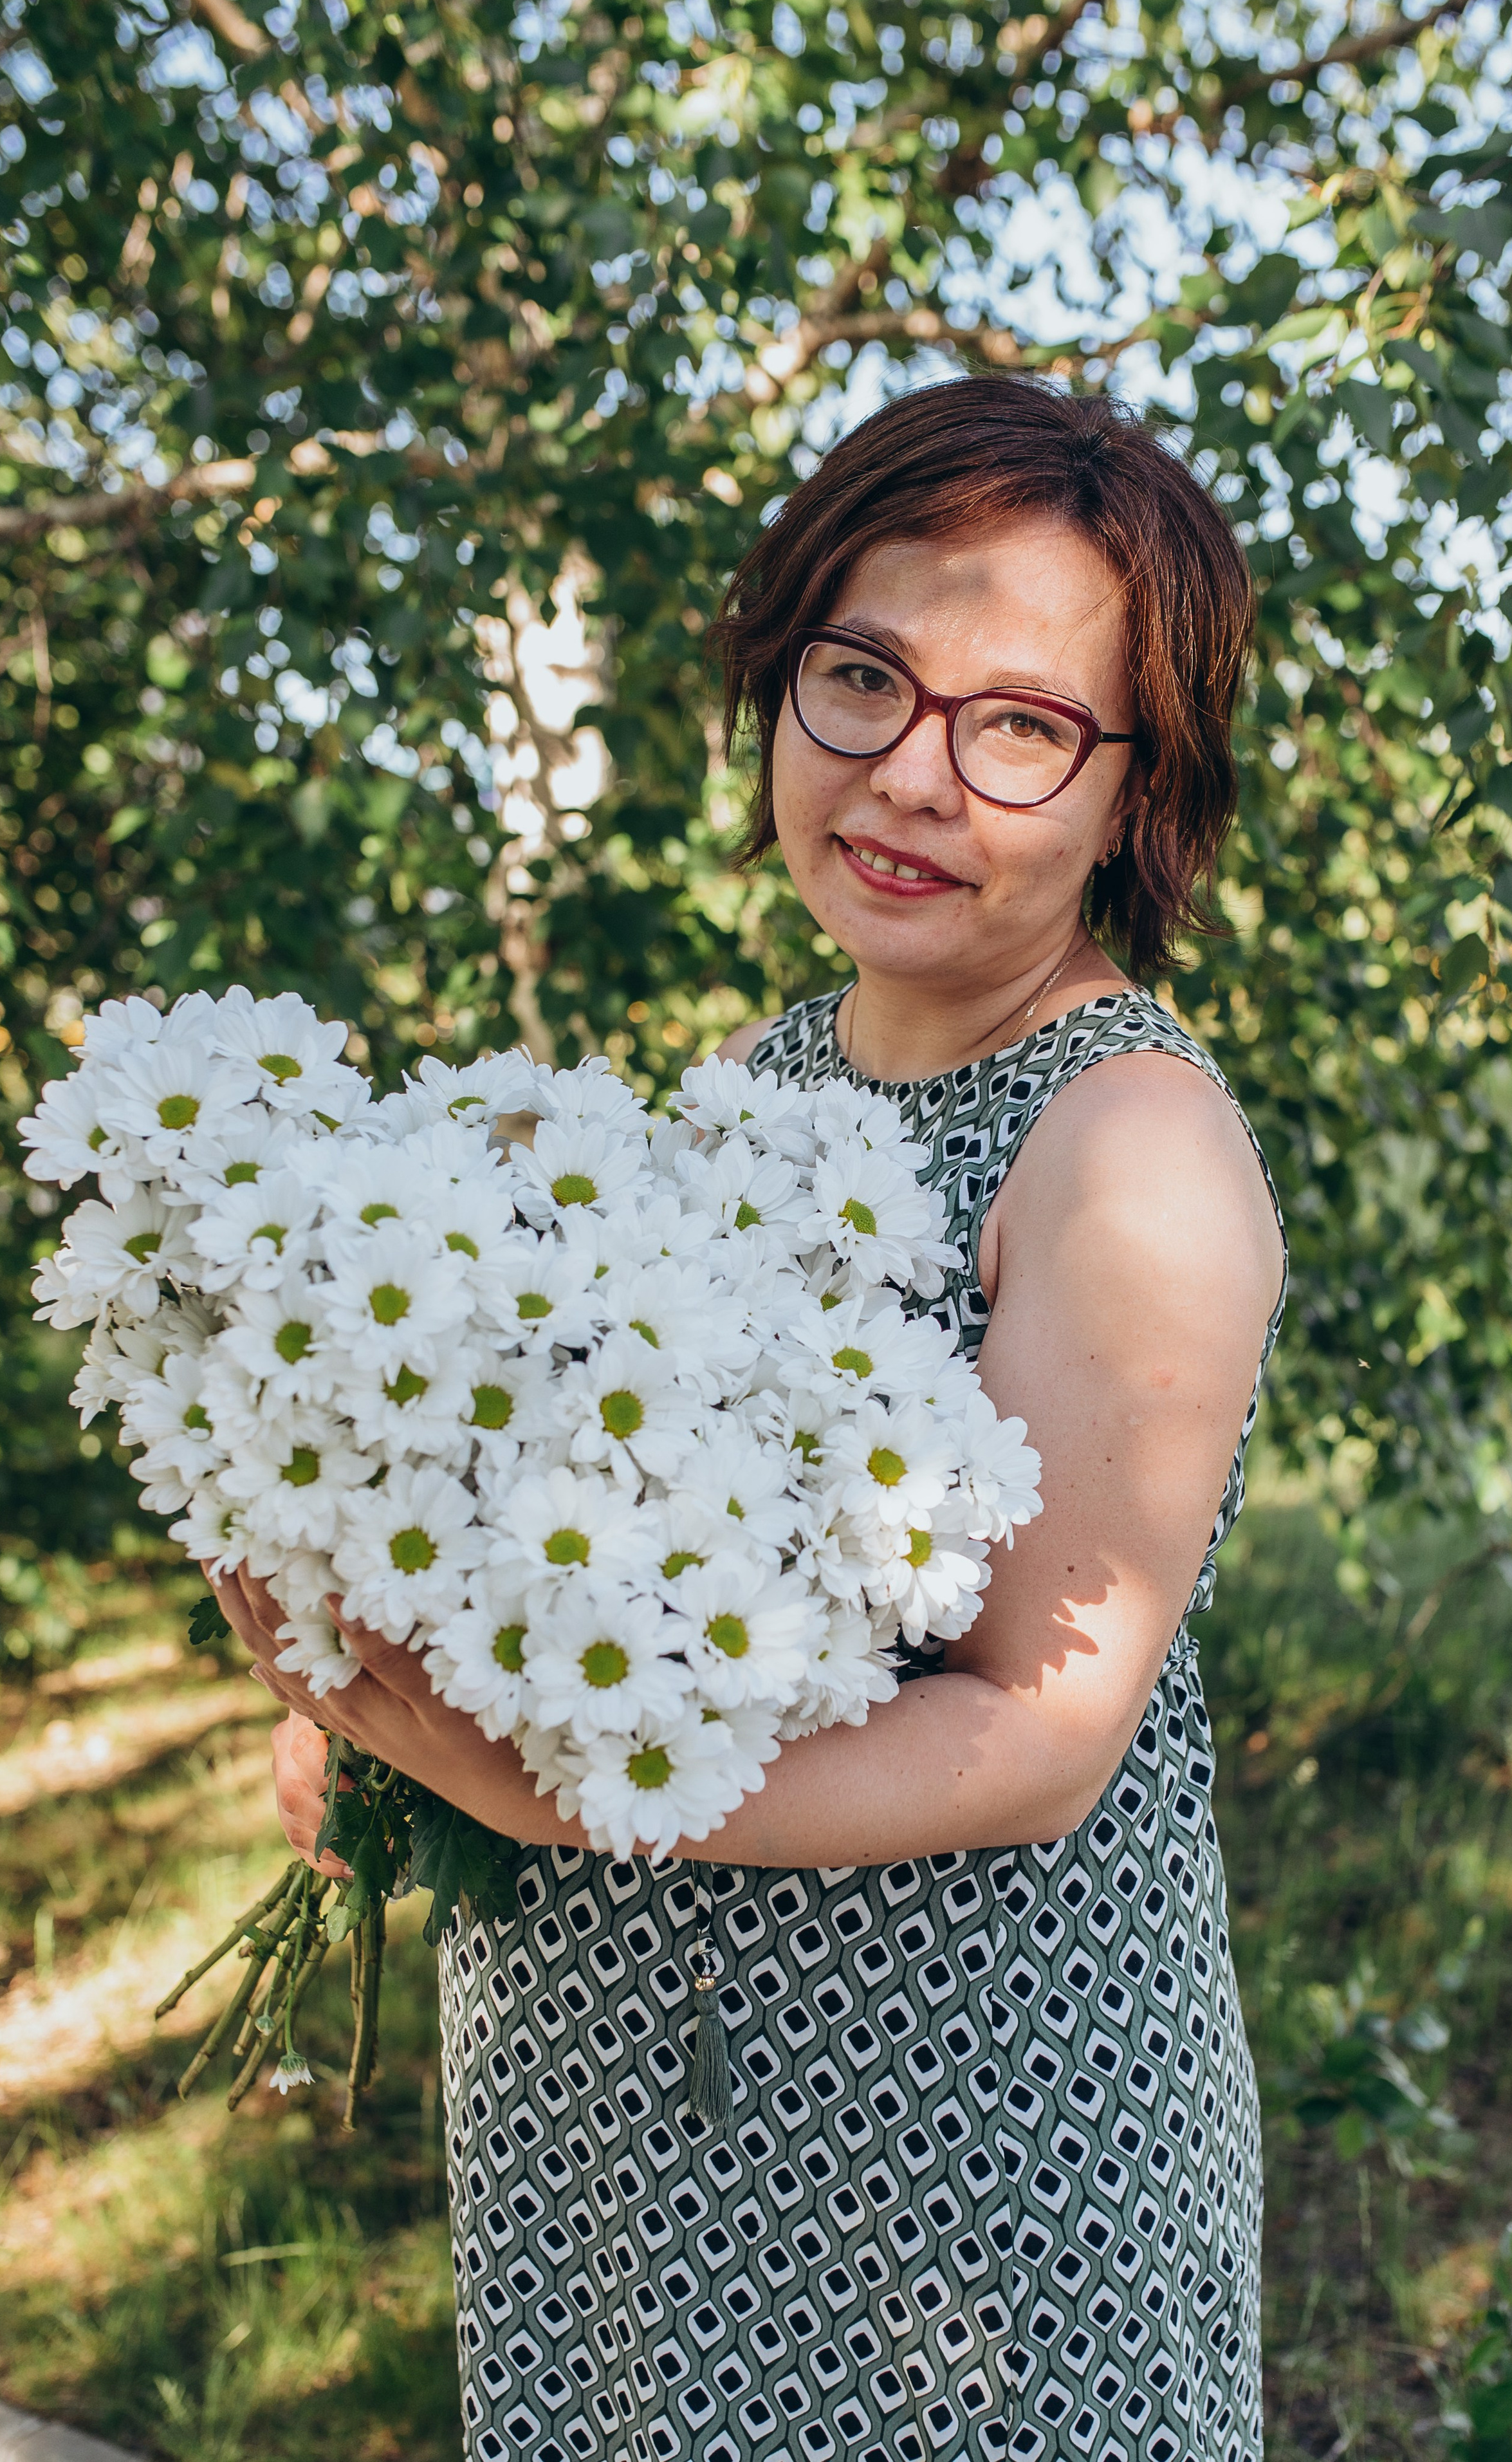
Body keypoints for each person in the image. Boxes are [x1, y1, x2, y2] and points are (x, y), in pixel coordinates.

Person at [219, 373, 1286, 2462]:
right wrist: (376, 1680)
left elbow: (1033, 1738)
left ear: (1132, 794)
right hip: (627, 2131)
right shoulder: (769, 1071)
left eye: (1020, 727)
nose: (911, 778)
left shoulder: (1126, 1148)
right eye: (860, 679)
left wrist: (548, 1793)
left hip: (944, 2164)